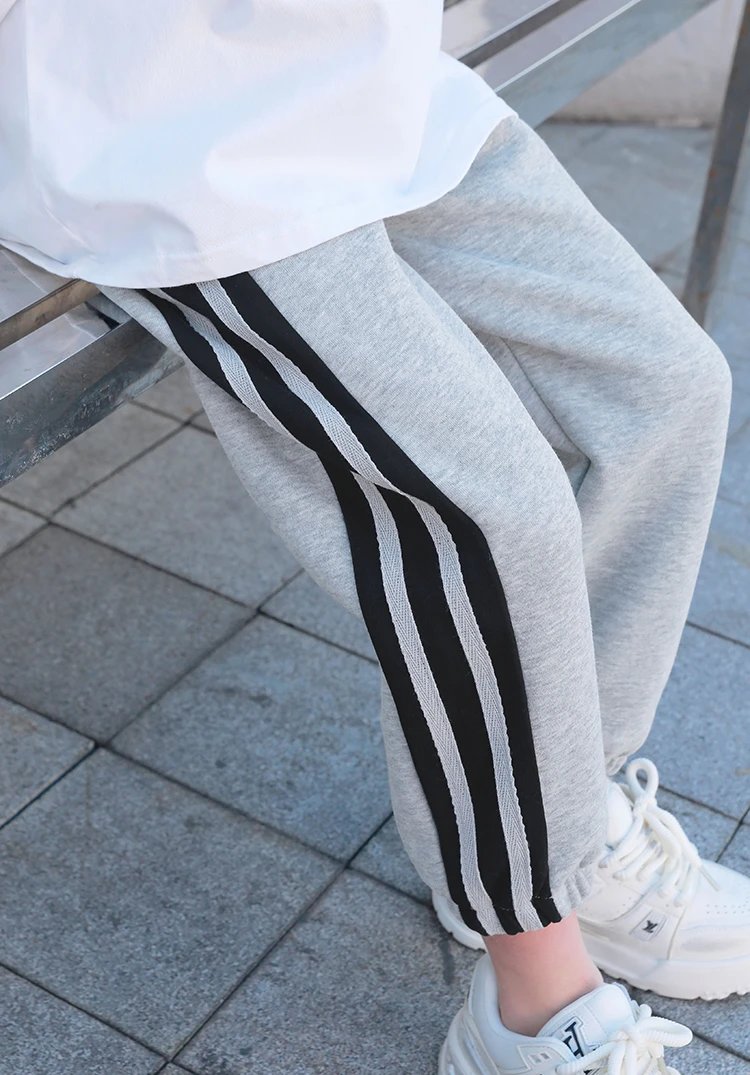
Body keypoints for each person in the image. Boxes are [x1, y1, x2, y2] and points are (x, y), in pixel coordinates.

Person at [1, 3, 747, 1072]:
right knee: (486, 517)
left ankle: (567, 829)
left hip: (371, 86)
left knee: (666, 392)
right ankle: (532, 993)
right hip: (171, 139)